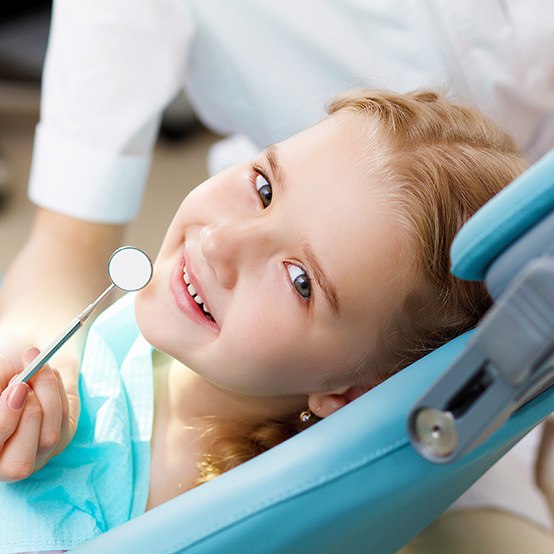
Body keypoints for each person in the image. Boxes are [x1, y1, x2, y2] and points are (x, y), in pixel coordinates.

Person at [0, 89, 551, 553]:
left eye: (300, 281)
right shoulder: (167, 343)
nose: (218, 242)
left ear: (348, 392)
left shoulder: (181, 519)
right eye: (263, 188)